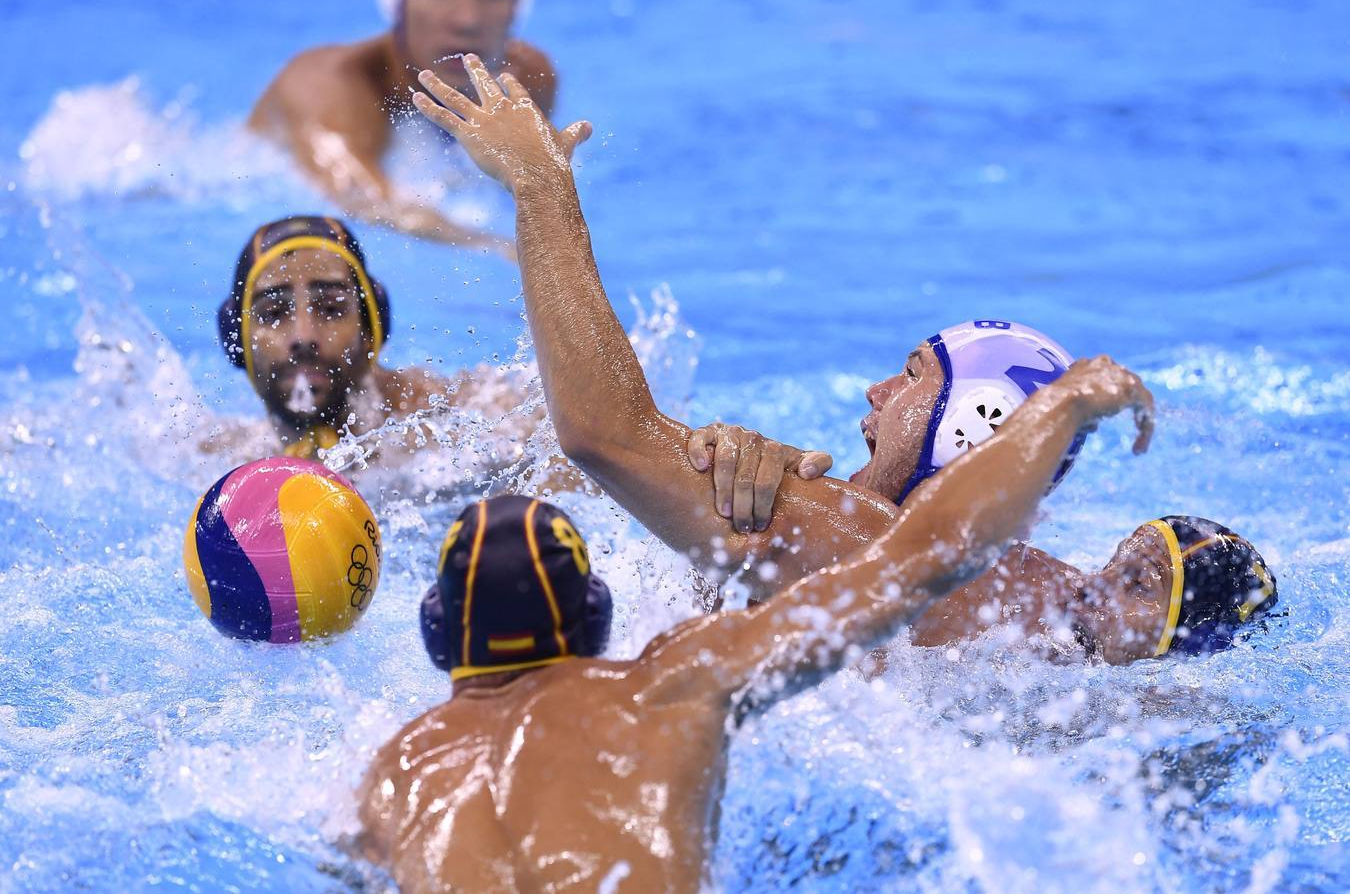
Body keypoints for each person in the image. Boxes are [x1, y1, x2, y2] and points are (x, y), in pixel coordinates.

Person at [408, 58, 1281, 663]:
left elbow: (605, 434)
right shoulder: (1024, 599)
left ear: (973, 427)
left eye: (912, 377)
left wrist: (541, 190)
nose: (875, 389)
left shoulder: (890, 551)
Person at [358, 356, 1159, 890]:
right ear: (599, 616)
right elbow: (927, 555)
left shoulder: (390, 777)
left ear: (436, 636)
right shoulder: (677, 682)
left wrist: (729, 556)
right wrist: (1067, 403)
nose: (875, 395)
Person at [248, 0, 555, 256]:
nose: (467, 20)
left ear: (516, 8)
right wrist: (497, 247)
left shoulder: (526, 79)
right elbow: (366, 203)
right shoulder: (327, 86)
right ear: (399, 6)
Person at [213, 214, 533, 460]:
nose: (304, 336)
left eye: (330, 309)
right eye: (273, 314)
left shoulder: (451, 423)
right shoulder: (227, 456)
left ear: (371, 329)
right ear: (238, 341)